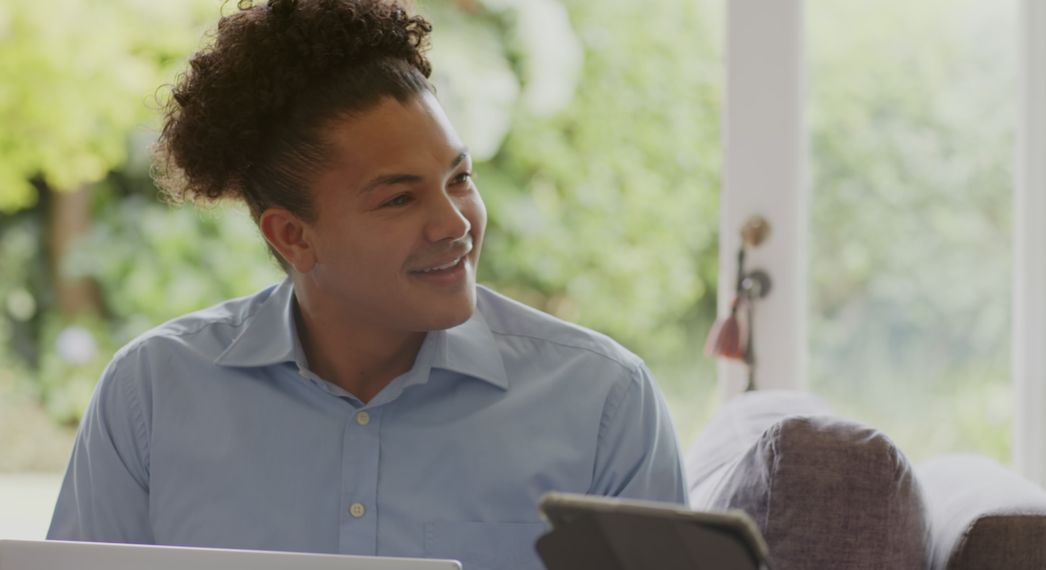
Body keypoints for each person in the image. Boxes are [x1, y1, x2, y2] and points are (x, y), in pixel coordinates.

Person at [47, 0, 686, 567]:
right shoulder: (151, 396)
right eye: (399, 200)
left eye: (459, 178)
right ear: (292, 236)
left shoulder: (604, 402)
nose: (454, 223)